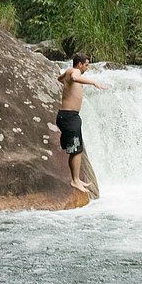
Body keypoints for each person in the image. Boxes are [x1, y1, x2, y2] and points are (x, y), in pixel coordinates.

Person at [56, 52, 105, 193]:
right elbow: (74, 77)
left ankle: (76, 179)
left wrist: (67, 82)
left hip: (66, 116)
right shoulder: (75, 72)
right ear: (80, 64)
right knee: (77, 150)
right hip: (70, 117)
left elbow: (60, 78)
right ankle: (75, 180)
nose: (87, 68)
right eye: (86, 65)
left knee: (74, 150)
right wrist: (93, 82)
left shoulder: (68, 71)